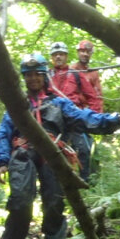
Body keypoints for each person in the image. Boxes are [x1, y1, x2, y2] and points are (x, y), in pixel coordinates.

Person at [0, 53, 120, 239]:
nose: (32, 79)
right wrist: (2, 161)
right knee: (20, 202)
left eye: (37, 74)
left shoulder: (59, 103)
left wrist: (116, 119)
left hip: (54, 154)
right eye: (28, 75)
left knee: (54, 203)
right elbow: (4, 133)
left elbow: (84, 118)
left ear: (44, 76)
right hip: (23, 154)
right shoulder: (16, 105)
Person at [48, 41, 101, 181]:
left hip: (73, 118)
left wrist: (93, 120)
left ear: (66, 56)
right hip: (53, 120)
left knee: (83, 150)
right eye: (55, 55)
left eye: (61, 54)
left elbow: (93, 97)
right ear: (51, 57)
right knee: (53, 152)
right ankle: (59, 184)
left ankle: (85, 182)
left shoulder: (76, 74)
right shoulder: (47, 76)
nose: (58, 57)